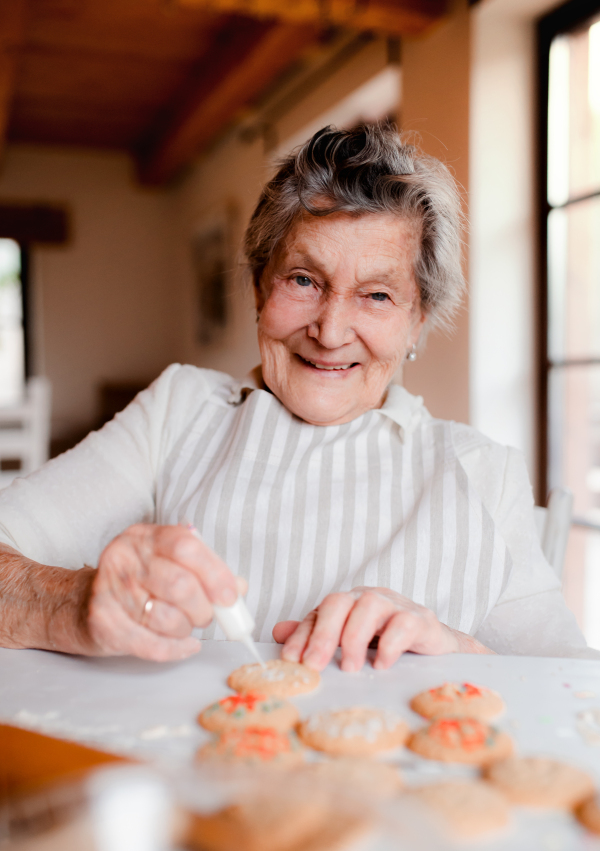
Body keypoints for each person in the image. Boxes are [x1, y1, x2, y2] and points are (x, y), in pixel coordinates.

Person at [0, 125, 595, 669]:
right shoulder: (179, 414)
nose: (331, 331)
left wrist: (458, 648)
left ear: (418, 321)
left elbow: (575, 690)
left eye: (377, 296)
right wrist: (72, 602)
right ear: (261, 287)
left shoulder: (479, 472)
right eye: (304, 280)